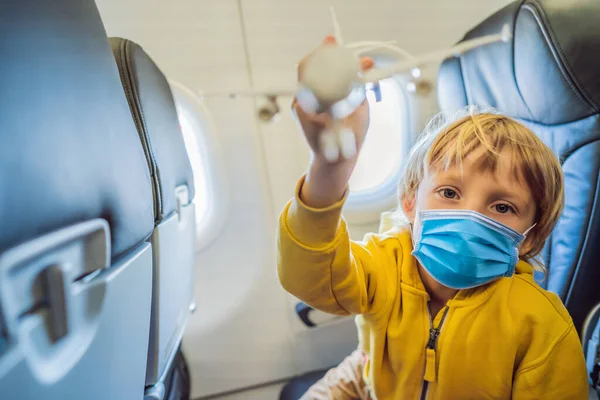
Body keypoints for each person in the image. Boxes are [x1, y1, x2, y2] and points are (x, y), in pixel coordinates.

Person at [276, 36, 589, 399]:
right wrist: (330, 167)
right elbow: (310, 276)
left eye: (502, 207)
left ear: (530, 237)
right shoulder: (384, 265)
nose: (470, 216)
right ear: (410, 202)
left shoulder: (541, 324)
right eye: (450, 193)